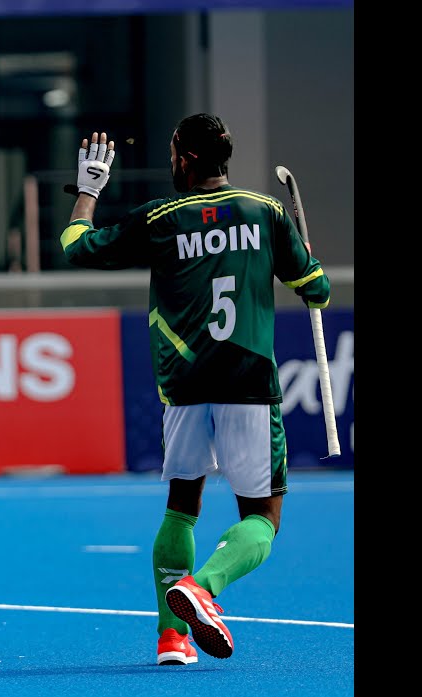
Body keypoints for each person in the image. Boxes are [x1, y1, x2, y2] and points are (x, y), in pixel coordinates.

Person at [57, 113, 331, 665]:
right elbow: (316, 288)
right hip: (247, 380)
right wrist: (309, 266)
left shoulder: (160, 217)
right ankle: (203, 587)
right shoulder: (265, 210)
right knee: (263, 517)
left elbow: (76, 247)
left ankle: (172, 639)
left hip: (183, 383)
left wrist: (89, 192)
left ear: (184, 160)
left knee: (182, 505)